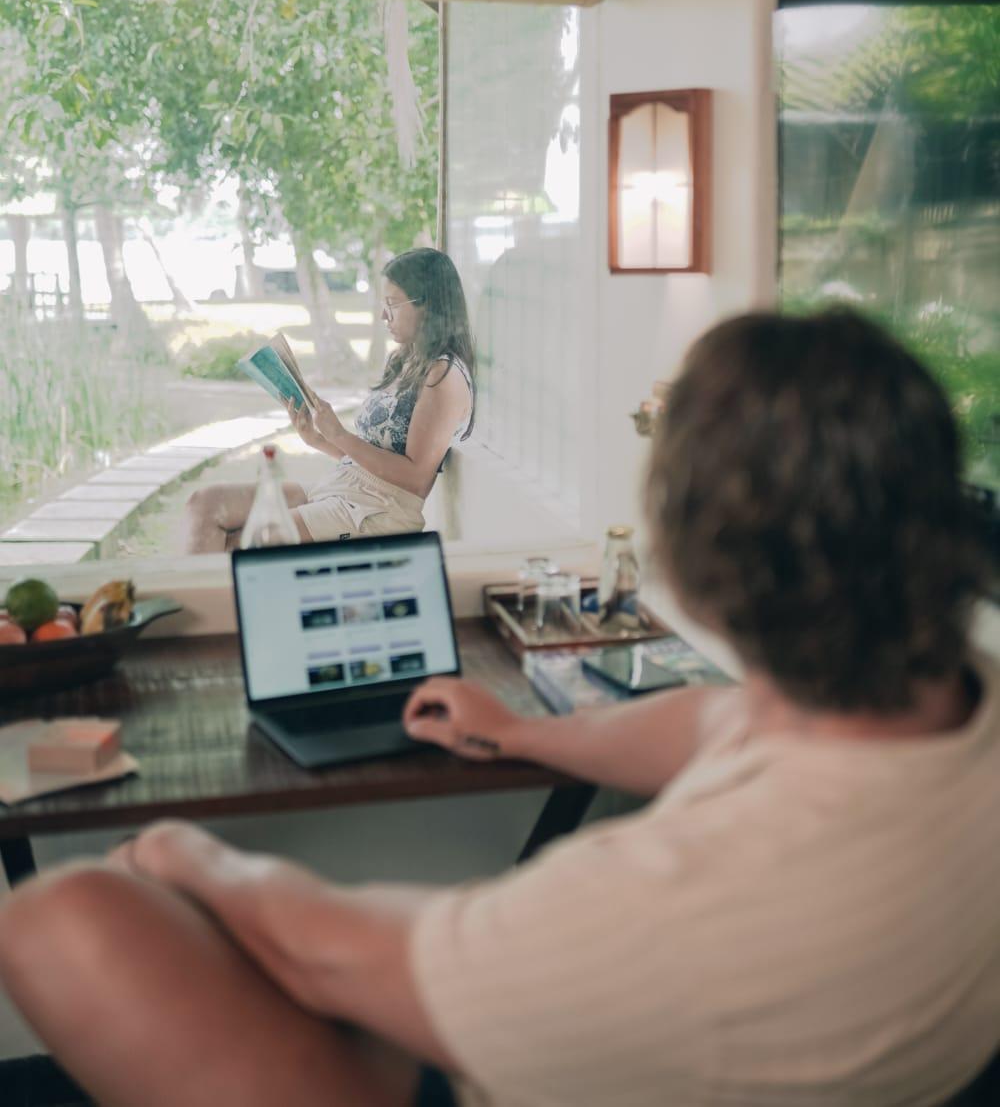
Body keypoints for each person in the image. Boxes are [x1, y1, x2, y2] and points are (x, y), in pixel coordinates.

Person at [2, 308, 998, 1107]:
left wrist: (191, 856)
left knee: (63, 918)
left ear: (691, 574)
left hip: (487, 1070)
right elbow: (716, 724)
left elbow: (328, 954)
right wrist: (526, 732)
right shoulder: (946, 705)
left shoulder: (644, 910)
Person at [184, 248, 475, 550]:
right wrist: (317, 439)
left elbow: (414, 479)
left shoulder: (443, 375)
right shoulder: (405, 360)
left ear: (428, 305)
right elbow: (372, 457)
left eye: (393, 305)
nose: (383, 315)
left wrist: (338, 433)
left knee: (242, 545)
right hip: (344, 488)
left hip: (377, 509)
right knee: (203, 503)